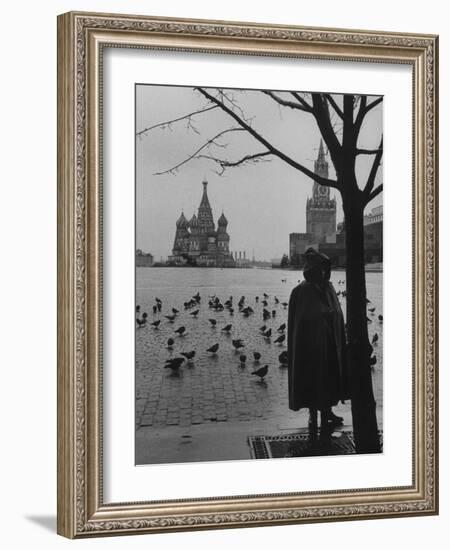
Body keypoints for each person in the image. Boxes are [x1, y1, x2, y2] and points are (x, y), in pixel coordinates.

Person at [287, 247, 349, 433]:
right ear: (312, 271)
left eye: (326, 269)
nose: (324, 273)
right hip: (310, 348)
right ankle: (313, 415)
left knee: (329, 379)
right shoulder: (301, 292)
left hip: (330, 344)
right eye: (320, 269)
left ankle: (327, 412)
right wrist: (322, 316)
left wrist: (332, 318)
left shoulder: (329, 288)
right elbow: (301, 321)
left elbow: (337, 313)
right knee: (313, 380)